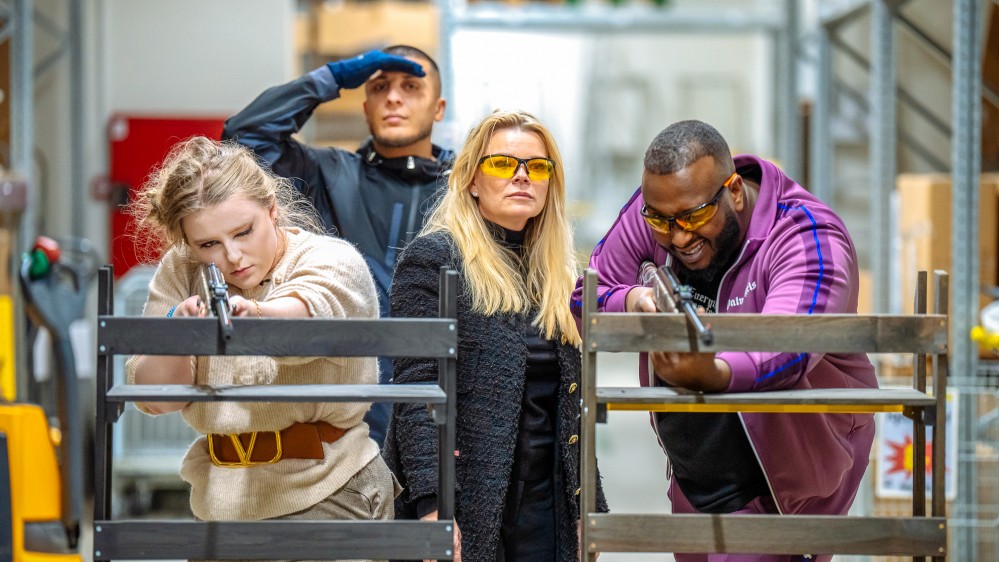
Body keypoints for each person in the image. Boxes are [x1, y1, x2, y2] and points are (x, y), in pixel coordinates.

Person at [570, 120, 876, 562]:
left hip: (784, 479)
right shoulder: (661, 208)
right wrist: (634, 300)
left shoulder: (805, 235)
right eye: (662, 223)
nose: (679, 237)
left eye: (695, 218)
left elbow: (789, 348)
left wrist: (712, 372)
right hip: (698, 468)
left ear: (734, 192)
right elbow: (586, 300)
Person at [125, 136, 397, 538]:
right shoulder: (181, 271)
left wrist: (256, 315)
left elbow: (306, 322)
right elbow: (158, 398)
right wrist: (178, 335)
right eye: (209, 244)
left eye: (244, 232)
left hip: (329, 487)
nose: (233, 256)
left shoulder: (332, 260)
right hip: (219, 502)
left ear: (272, 210)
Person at [383, 110, 608, 561]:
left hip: (547, 501)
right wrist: (433, 508)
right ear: (471, 179)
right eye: (503, 164)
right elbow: (416, 392)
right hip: (466, 497)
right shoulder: (435, 259)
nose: (522, 176)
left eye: (537, 167)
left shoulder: (557, 275)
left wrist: (589, 505)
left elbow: (571, 409)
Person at [222, 45, 454, 446]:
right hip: (347, 423)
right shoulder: (328, 175)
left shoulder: (464, 190)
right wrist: (331, 78)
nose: (393, 97)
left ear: (438, 108)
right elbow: (243, 138)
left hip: (442, 412)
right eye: (379, 87)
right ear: (365, 108)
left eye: (411, 86)